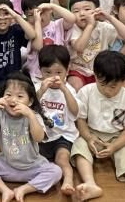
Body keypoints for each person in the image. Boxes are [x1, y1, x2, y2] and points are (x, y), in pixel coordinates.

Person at [70, 51, 125, 202]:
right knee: (79, 148)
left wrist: (115, 146)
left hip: (118, 136)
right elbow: (81, 120)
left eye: (114, 86)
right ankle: (90, 183)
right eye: (103, 84)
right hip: (91, 132)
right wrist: (88, 138)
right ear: (95, 76)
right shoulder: (86, 92)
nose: (107, 90)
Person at [0, 72, 62, 200]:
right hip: (7, 165)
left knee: (56, 172)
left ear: (30, 101)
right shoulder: (1, 113)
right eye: (8, 95)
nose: (13, 100)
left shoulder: (33, 115)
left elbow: (39, 138)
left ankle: (23, 189)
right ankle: (5, 190)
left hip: (32, 167)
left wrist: (31, 115)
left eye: (20, 96)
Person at [35, 45, 81, 196]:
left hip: (63, 135)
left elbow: (75, 112)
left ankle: (68, 181)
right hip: (42, 136)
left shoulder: (69, 90)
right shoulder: (37, 87)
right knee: (35, 160)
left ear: (67, 71)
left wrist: (65, 90)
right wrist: (41, 91)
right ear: (40, 71)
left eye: (58, 72)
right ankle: (42, 180)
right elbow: (30, 108)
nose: (53, 77)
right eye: (47, 72)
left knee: (62, 159)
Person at [67, 0, 125, 90]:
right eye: (76, 11)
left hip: (102, 69)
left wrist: (109, 17)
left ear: (96, 10)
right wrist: (90, 25)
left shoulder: (103, 26)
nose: (82, 13)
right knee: (76, 85)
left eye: (87, 9)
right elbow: (79, 47)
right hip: (78, 70)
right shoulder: (72, 28)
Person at [21, 0, 75, 80]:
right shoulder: (30, 29)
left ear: (50, 11)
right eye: (31, 15)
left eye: (41, 12)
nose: (37, 17)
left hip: (57, 71)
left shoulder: (58, 25)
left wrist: (52, 6)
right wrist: (37, 22)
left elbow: (72, 19)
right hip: (36, 74)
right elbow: (38, 46)